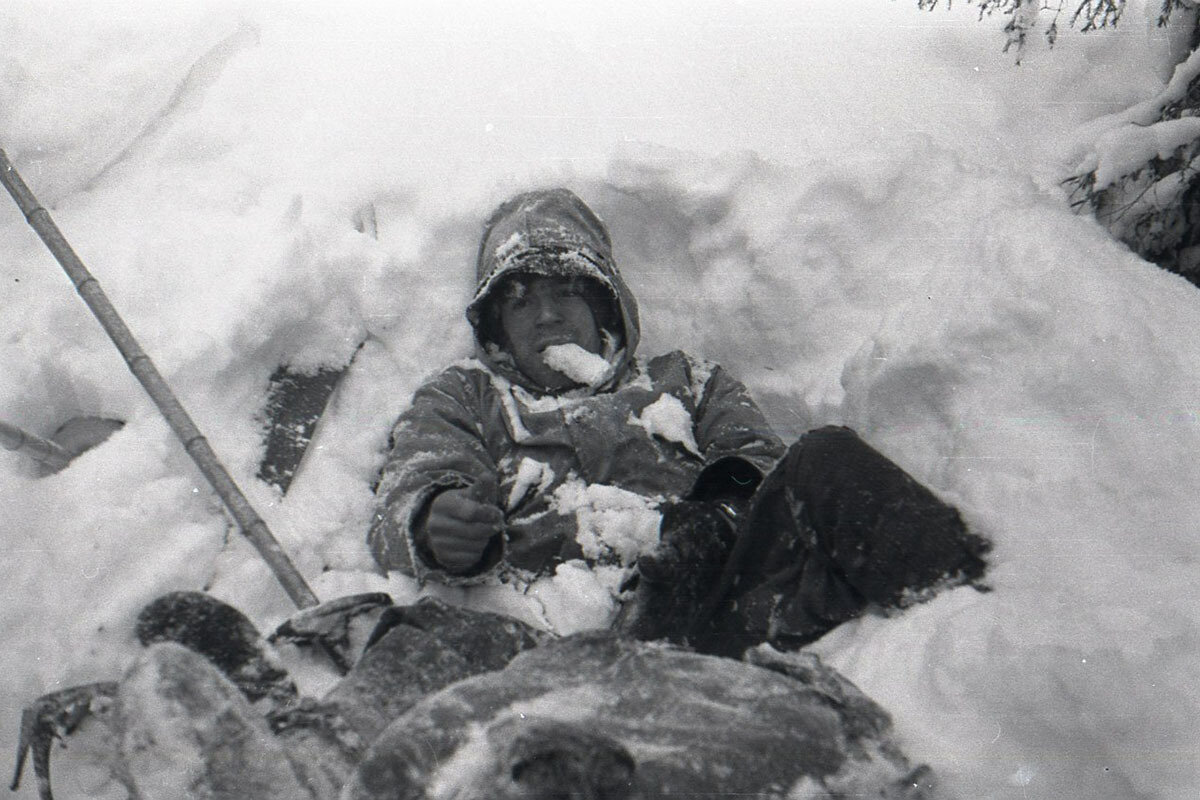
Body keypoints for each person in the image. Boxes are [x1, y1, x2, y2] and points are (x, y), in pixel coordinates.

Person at [369, 187, 989, 655]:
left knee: (830, 460)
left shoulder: (686, 380)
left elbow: (764, 467)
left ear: (603, 302)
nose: (546, 315)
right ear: (496, 329)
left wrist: (713, 520)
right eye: (520, 301)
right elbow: (418, 475)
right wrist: (433, 521)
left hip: (715, 604)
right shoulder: (467, 393)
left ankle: (972, 643)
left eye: (565, 292)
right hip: (548, 637)